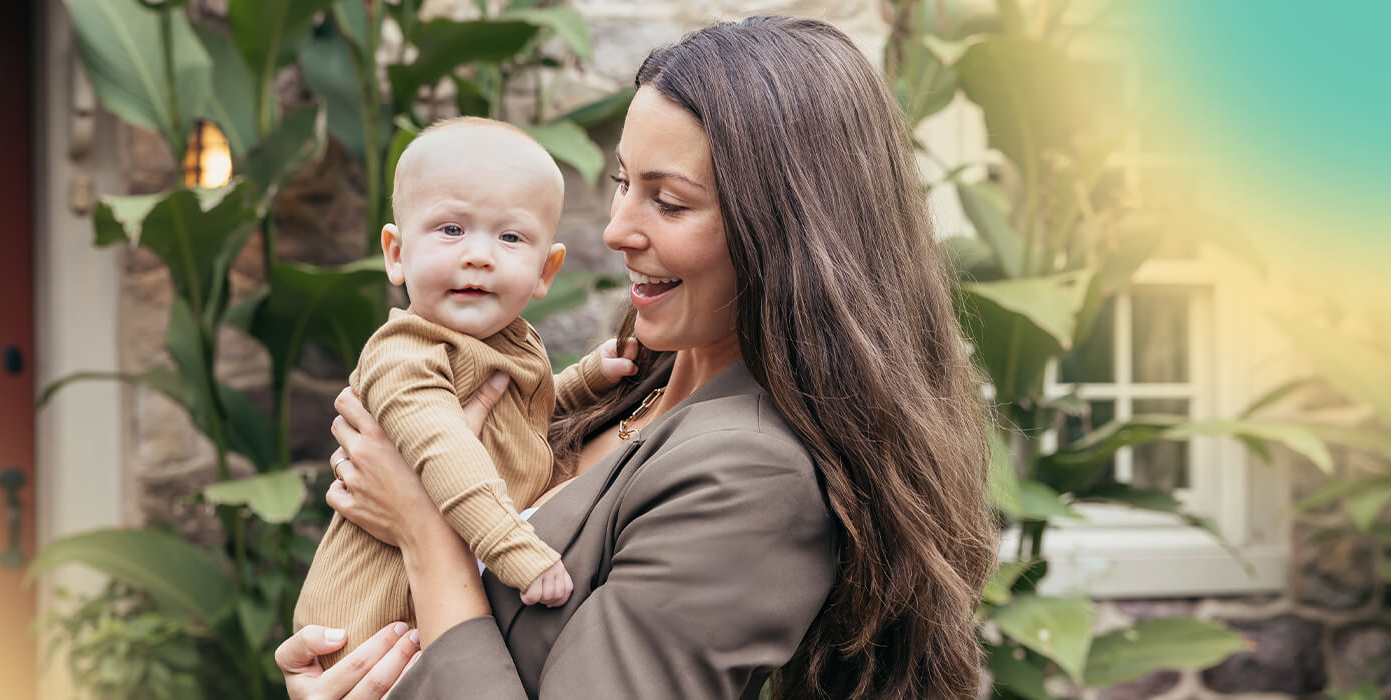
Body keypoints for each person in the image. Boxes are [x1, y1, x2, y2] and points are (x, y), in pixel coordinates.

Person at [279, 16, 997, 699]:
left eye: (670, 203)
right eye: (625, 183)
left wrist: (424, 530)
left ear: (784, 233)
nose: (618, 229)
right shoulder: (636, 380)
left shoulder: (753, 476)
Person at [292, 117, 640, 667]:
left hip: (432, 613)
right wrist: (514, 549)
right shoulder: (406, 353)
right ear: (397, 252)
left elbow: (523, 410)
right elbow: (447, 454)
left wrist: (587, 379)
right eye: (451, 230)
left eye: (510, 237)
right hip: (372, 620)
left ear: (545, 271)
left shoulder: (508, 341)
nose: (479, 255)